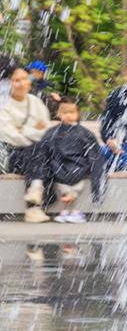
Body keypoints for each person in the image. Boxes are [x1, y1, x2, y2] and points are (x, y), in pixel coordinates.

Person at [23, 97, 105, 223]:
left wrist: (96, 186)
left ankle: (37, 186)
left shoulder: (85, 134)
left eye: (72, 112)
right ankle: (36, 186)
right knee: (36, 150)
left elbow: (95, 157)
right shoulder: (52, 133)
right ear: (58, 114)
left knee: (40, 153)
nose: (68, 115)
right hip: (58, 167)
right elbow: (42, 151)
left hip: (77, 168)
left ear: (77, 114)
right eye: (65, 112)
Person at [1, 65, 52, 221]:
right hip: (12, 155)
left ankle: (35, 194)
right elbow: (10, 136)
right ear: (9, 83)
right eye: (17, 80)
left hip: (37, 152)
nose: (22, 83)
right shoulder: (3, 105)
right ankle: (34, 202)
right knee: (36, 148)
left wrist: (23, 129)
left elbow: (46, 130)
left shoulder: (36, 102)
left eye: (24, 79)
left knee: (39, 149)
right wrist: (33, 130)